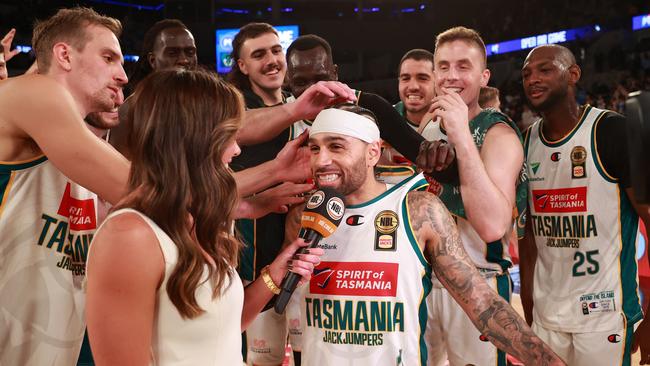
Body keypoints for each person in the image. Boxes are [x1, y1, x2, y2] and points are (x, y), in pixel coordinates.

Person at [284, 103, 564, 366]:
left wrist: (551, 363)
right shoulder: (303, 216)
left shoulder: (419, 210)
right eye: (314, 148)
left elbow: (482, 303)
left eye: (336, 147)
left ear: (373, 153)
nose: (321, 160)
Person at [85, 68, 323, 366]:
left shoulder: (199, 221)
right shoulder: (129, 236)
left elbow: (218, 331)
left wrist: (275, 274)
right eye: (229, 136)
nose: (236, 150)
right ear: (193, 140)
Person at [0, 8, 130, 365]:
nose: (122, 76)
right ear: (64, 55)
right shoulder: (33, 94)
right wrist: (245, 197)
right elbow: (139, 188)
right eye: (108, 58)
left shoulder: (82, 141)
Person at [519, 44, 650, 366]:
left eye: (545, 69)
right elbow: (530, 235)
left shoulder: (611, 130)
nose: (533, 79)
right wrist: (527, 305)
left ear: (573, 74)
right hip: (547, 318)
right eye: (526, 73)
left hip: (604, 315)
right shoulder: (526, 141)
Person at [416, 26, 528, 366]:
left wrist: (462, 134)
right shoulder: (429, 125)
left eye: (463, 66)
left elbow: (493, 226)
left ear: (484, 76)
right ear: (434, 73)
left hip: (479, 284)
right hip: (425, 282)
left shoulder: (499, 132)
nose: (452, 76)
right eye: (444, 66)